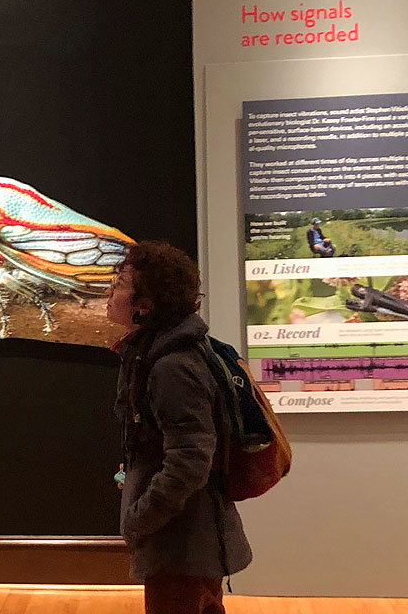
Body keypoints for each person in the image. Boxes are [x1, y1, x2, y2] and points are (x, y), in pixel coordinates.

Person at [107, 241, 252, 614]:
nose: (110, 291)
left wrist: (140, 519)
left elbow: (189, 461)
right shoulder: (160, 354)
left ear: (146, 304)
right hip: (188, 540)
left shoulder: (173, 367)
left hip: (183, 544)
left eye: (121, 283)